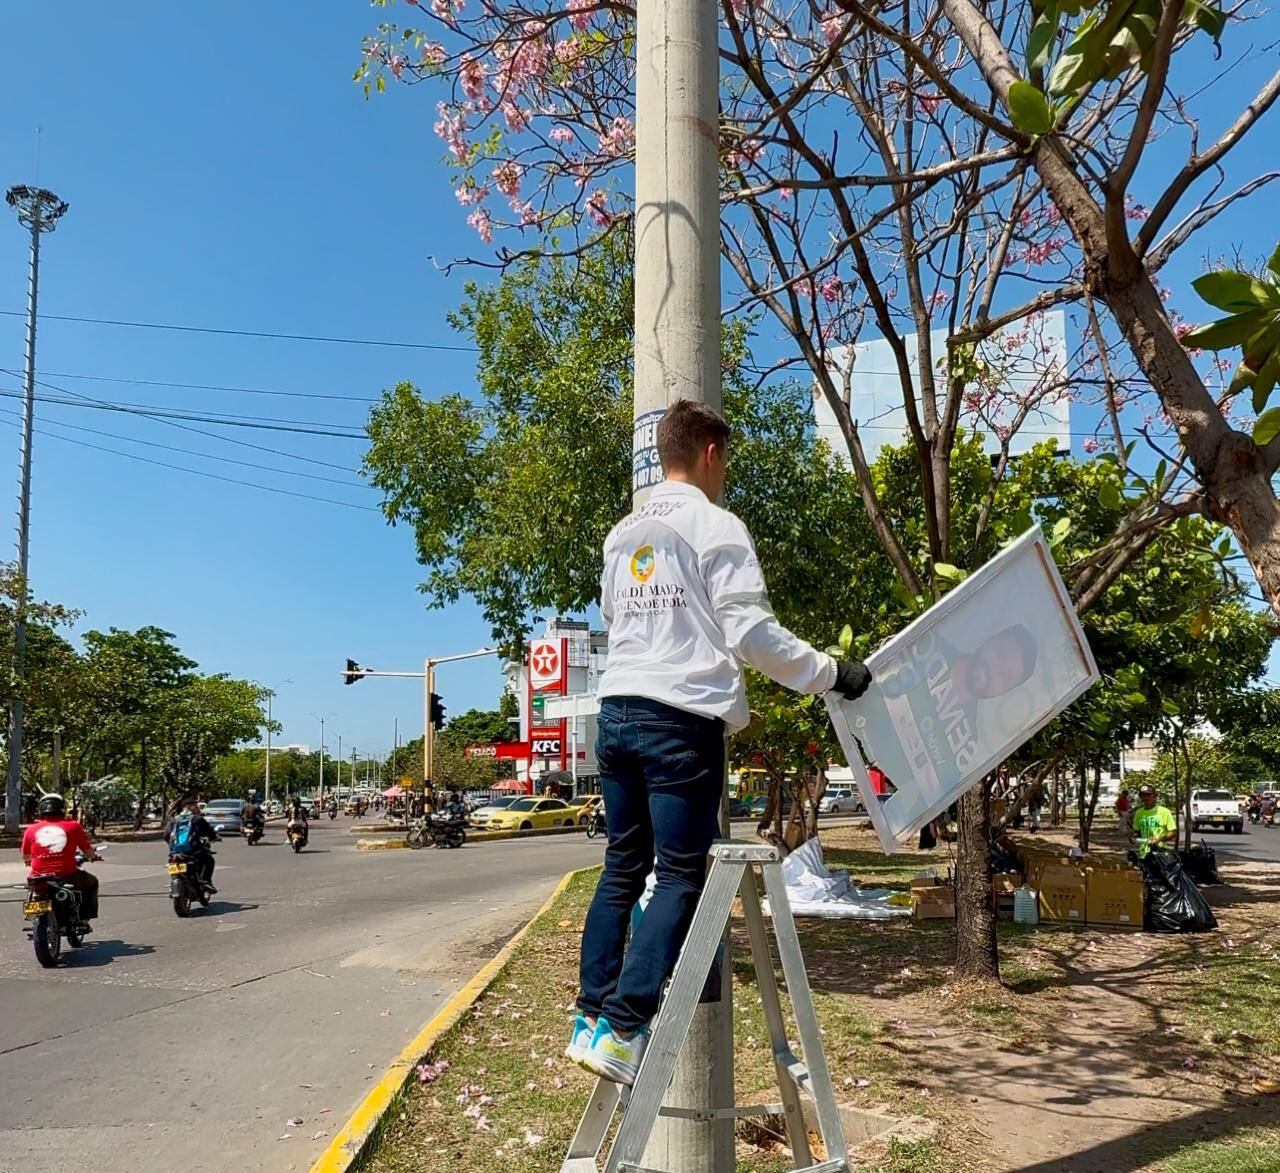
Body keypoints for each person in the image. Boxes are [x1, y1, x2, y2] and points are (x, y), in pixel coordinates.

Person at [567, 399, 873, 1086]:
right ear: (709, 451)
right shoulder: (717, 526)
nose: (726, 473)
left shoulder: (623, 535)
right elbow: (751, 634)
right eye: (726, 459)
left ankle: (589, 1016)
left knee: (622, 867)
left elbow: (619, 620)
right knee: (679, 873)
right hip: (678, 720)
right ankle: (622, 1027)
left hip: (614, 711)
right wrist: (831, 674)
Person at [21, 794, 102, 925]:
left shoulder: (30, 830)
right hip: (66, 874)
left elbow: (26, 856)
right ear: (62, 809)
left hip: (37, 877)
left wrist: (30, 860)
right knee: (92, 882)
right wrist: (94, 857)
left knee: (34, 892)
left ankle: (32, 913)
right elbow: (87, 850)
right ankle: (85, 916)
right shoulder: (73, 826)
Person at [166, 796, 220, 892]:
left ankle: (174, 881)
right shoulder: (197, 819)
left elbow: (166, 835)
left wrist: (173, 846)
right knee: (209, 860)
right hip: (193, 851)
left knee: (173, 863)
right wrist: (214, 837)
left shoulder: (174, 820)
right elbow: (209, 832)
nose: (197, 808)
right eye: (195, 806)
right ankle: (205, 881)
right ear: (189, 806)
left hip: (175, 852)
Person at [1131, 784, 1177, 858]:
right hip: (1144, 854)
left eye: (1148, 795)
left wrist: (1159, 840)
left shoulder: (1164, 812)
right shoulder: (1139, 813)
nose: (1146, 797)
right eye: (1143, 795)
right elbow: (1137, 831)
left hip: (1160, 853)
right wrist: (1133, 836)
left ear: (1154, 796)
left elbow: (1173, 832)